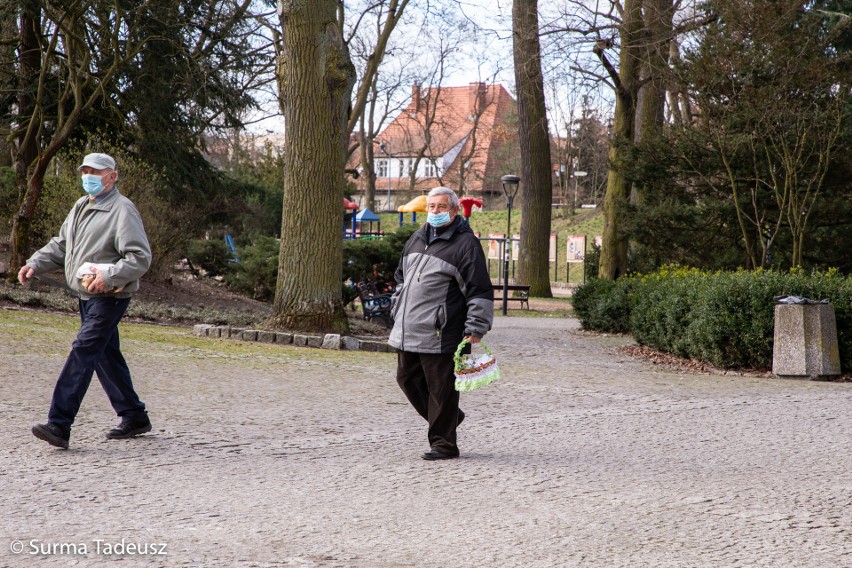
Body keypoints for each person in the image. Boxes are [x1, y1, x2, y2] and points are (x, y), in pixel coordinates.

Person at [18, 152, 153, 449]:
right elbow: (62, 244)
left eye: (95, 172)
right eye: (85, 171)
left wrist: (111, 277)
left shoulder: (123, 210)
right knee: (105, 355)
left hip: (110, 297)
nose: (87, 177)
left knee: (84, 350)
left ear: (112, 176)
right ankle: (134, 416)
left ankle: (59, 424)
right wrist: (35, 263)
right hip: (86, 295)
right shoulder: (81, 206)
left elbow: (140, 258)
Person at [388, 186, 494, 460]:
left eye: (441, 207)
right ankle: (450, 418)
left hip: (442, 331)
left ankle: (444, 444)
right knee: (407, 380)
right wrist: (396, 307)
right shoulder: (417, 237)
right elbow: (400, 277)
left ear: (454, 210)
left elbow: (479, 289)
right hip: (408, 328)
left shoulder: (465, 244)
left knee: (441, 388)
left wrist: (476, 328)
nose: (435, 211)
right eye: (431, 207)